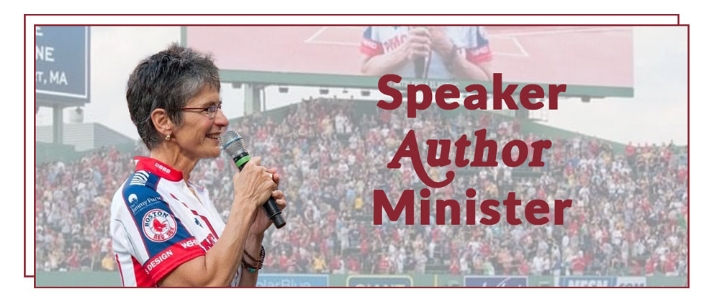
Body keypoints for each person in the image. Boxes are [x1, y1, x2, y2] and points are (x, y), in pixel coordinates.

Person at [109, 43, 287, 287]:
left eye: (219, 107)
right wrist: (244, 202)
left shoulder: (194, 194)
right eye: (208, 109)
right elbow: (203, 287)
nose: (223, 121)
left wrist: (253, 235)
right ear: (164, 121)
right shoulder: (140, 196)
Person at [359, 26, 493, 81]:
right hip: (395, 105)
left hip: (450, 104)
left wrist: (450, 53)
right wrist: (403, 52)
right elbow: (366, 72)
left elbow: (487, 82)